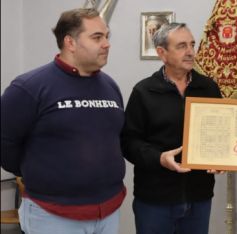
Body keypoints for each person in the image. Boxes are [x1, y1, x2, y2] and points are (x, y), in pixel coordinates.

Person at [1, 8, 125, 234]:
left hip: (108, 212)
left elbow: (113, 140)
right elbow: (6, 147)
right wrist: (41, 173)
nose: (107, 44)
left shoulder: (110, 87)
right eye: (97, 37)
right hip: (52, 216)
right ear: (70, 42)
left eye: (107, 37)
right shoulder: (29, 88)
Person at [121, 22, 221, 234]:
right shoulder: (143, 91)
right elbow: (129, 143)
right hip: (155, 200)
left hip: (199, 197)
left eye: (192, 45)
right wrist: (159, 158)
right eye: (182, 46)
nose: (190, 52)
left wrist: (221, 159)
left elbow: (221, 133)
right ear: (162, 53)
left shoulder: (209, 88)